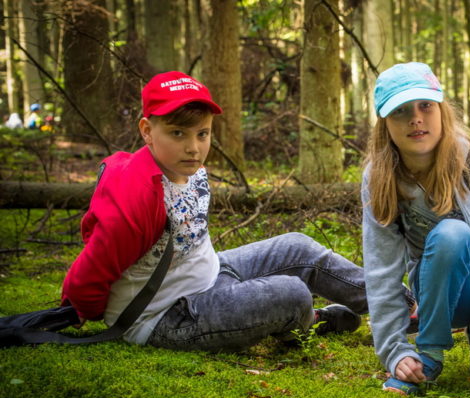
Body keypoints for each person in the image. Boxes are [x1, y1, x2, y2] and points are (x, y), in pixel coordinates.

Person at [61, 71, 391, 352]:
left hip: (213, 275)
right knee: (292, 293)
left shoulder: (189, 168)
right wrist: (80, 313)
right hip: (166, 317)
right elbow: (85, 281)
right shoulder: (137, 201)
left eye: (202, 134)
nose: (193, 147)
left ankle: (403, 309)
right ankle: (309, 320)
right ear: (147, 130)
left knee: (298, 246)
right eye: (178, 133)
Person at [362, 62, 470, 396]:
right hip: (442, 294)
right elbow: (380, 268)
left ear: (442, 110)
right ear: (385, 124)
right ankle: (428, 355)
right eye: (400, 111)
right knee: (452, 233)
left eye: (425, 106)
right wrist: (393, 350)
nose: (416, 118)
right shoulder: (381, 179)